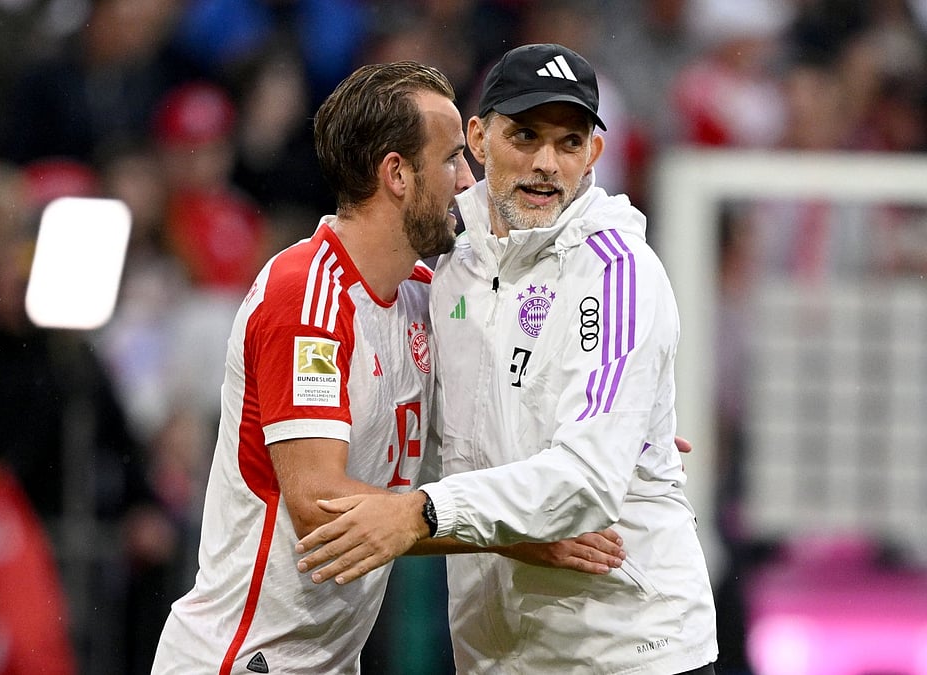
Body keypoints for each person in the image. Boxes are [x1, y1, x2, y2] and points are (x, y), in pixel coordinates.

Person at [150, 60, 630, 675]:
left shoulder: (424, 293)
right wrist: (517, 533)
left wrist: (605, 414)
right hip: (243, 659)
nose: (468, 180)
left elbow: (505, 391)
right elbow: (321, 508)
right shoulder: (308, 300)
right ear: (397, 174)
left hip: (329, 661)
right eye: (453, 158)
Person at [295, 44, 719, 674]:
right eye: (524, 135)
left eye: (569, 142)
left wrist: (425, 512)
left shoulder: (618, 273)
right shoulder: (446, 264)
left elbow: (588, 478)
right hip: (493, 653)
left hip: (626, 649)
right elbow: (437, 443)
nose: (546, 164)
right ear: (478, 138)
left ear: (594, 155)